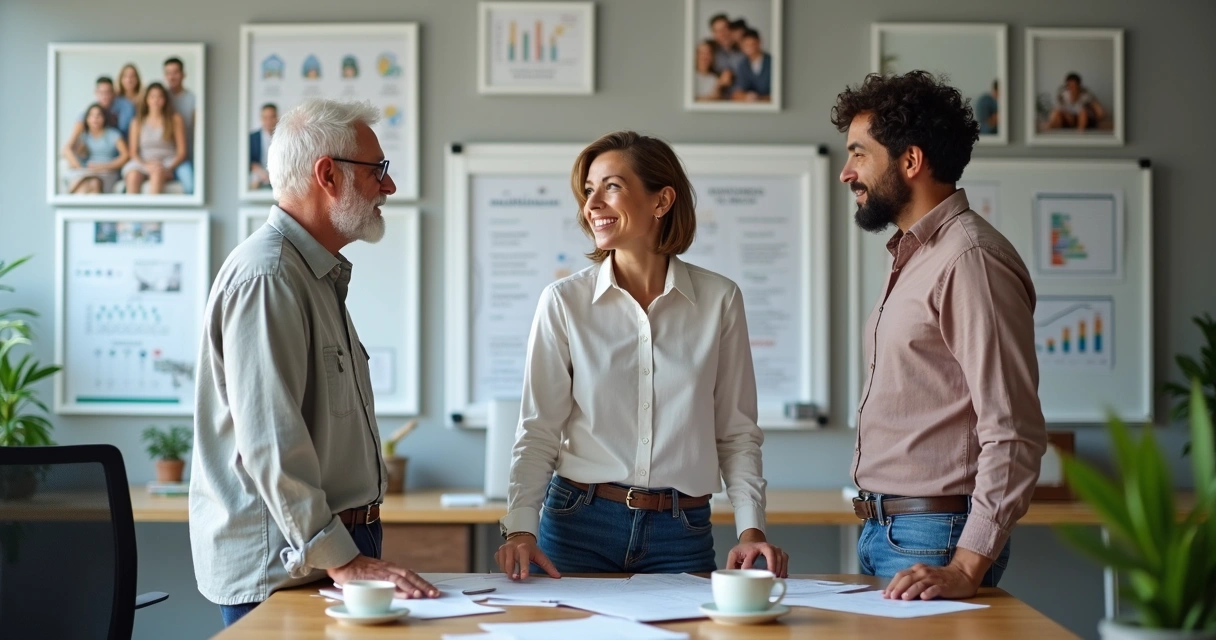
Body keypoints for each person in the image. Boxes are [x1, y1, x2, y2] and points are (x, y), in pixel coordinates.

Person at [495, 130, 788, 580]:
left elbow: (736, 431)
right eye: (589, 191)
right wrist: (520, 529)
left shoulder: (719, 300)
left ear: (661, 200)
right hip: (578, 521)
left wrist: (751, 530)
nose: (592, 205)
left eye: (611, 186)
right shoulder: (564, 302)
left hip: (682, 529)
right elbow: (538, 430)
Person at [189, 98, 438, 627]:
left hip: (321, 551)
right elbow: (271, 444)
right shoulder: (270, 277)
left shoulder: (313, 276)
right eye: (378, 172)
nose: (388, 188)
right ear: (328, 174)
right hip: (287, 563)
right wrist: (342, 559)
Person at [831, 71, 1046, 600]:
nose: (846, 173)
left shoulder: (968, 259)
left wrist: (968, 564)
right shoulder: (917, 255)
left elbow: (1013, 428)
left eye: (859, 154)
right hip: (890, 530)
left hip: (935, 539)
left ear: (910, 161)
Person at [121, 82, 185, 195]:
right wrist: (146, 165)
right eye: (152, 96)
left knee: (157, 173)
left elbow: (182, 152)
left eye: (160, 96)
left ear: (165, 99)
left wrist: (167, 167)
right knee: (133, 176)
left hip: (166, 163)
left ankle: (152, 212)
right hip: (142, 162)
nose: (156, 100)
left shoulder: (175, 119)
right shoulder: (137, 122)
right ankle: (131, 212)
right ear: (146, 99)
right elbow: (133, 153)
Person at [61, 103, 129, 194]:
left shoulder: (113, 135)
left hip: (107, 172)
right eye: (92, 115)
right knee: (84, 184)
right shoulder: (84, 136)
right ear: (87, 119)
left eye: (99, 115)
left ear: (104, 118)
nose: (95, 119)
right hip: (87, 171)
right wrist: (80, 167)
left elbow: (125, 155)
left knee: (94, 183)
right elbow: (66, 150)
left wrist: (104, 167)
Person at [163, 57, 196, 194]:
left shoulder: (193, 99)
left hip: (185, 154)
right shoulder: (161, 98)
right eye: (168, 73)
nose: (172, 76)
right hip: (164, 154)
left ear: (183, 74)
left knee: (190, 186)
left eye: (175, 72)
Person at [731, 29, 772, 102]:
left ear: (759, 42)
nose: (750, 48)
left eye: (753, 44)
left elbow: (778, 94)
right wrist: (745, 96)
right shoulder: (743, 65)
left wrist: (760, 98)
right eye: (746, 45)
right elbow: (738, 91)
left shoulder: (771, 62)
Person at [250, 103, 278, 189]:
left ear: (277, 118)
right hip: (259, 172)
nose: (269, 121)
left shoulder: (283, 137)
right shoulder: (252, 137)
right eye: (265, 117)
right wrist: (260, 172)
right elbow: (250, 160)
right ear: (261, 118)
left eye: (272, 117)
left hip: (278, 173)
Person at [707, 14, 742, 78]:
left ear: (731, 29)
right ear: (713, 34)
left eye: (725, 28)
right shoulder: (710, 54)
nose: (722, 34)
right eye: (718, 31)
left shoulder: (745, 48)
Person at [113, 63, 142, 137]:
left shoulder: (144, 98)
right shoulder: (115, 100)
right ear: (120, 79)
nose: (129, 79)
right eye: (125, 76)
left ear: (137, 79)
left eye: (132, 76)